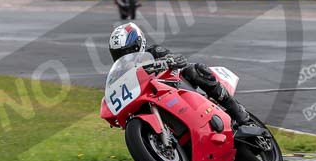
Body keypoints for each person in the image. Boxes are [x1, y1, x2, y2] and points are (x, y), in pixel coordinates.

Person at [107, 22, 250, 126]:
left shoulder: (153, 52)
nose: (124, 56)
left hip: (174, 89)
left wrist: (170, 60)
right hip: (149, 99)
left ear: (138, 44)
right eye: (118, 54)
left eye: (126, 52)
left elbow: (178, 60)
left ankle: (236, 110)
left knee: (194, 70)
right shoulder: (120, 73)